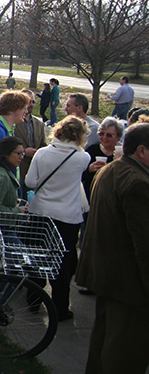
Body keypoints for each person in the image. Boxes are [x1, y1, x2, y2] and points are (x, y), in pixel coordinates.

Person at [76, 122, 149, 374]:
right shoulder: (138, 182)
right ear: (141, 151)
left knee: (104, 342)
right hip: (129, 283)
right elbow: (144, 243)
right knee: (126, 352)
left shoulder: (110, 170)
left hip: (105, 275)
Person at [25, 116, 90, 322]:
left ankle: (33, 301)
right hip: (67, 216)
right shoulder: (83, 158)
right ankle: (61, 307)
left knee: (36, 257)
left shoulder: (42, 154)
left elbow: (30, 182)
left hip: (41, 211)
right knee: (62, 261)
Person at [80, 116, 122, 248]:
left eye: (109, 135)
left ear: (118, 137)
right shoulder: (92, 150)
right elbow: (80, 176)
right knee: (87, 234)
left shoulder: (121, 154)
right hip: (91, 198)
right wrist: (89, 169)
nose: (104, 138)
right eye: (101, 134)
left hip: (111, 202)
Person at [14, 89, 48, 190]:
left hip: (34, 173)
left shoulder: (39, 124)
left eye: (33, 102)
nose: (31, 104)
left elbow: (43, 145)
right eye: (28, 101)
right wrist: (24, 152)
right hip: (18, 171)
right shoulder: (14, 123)